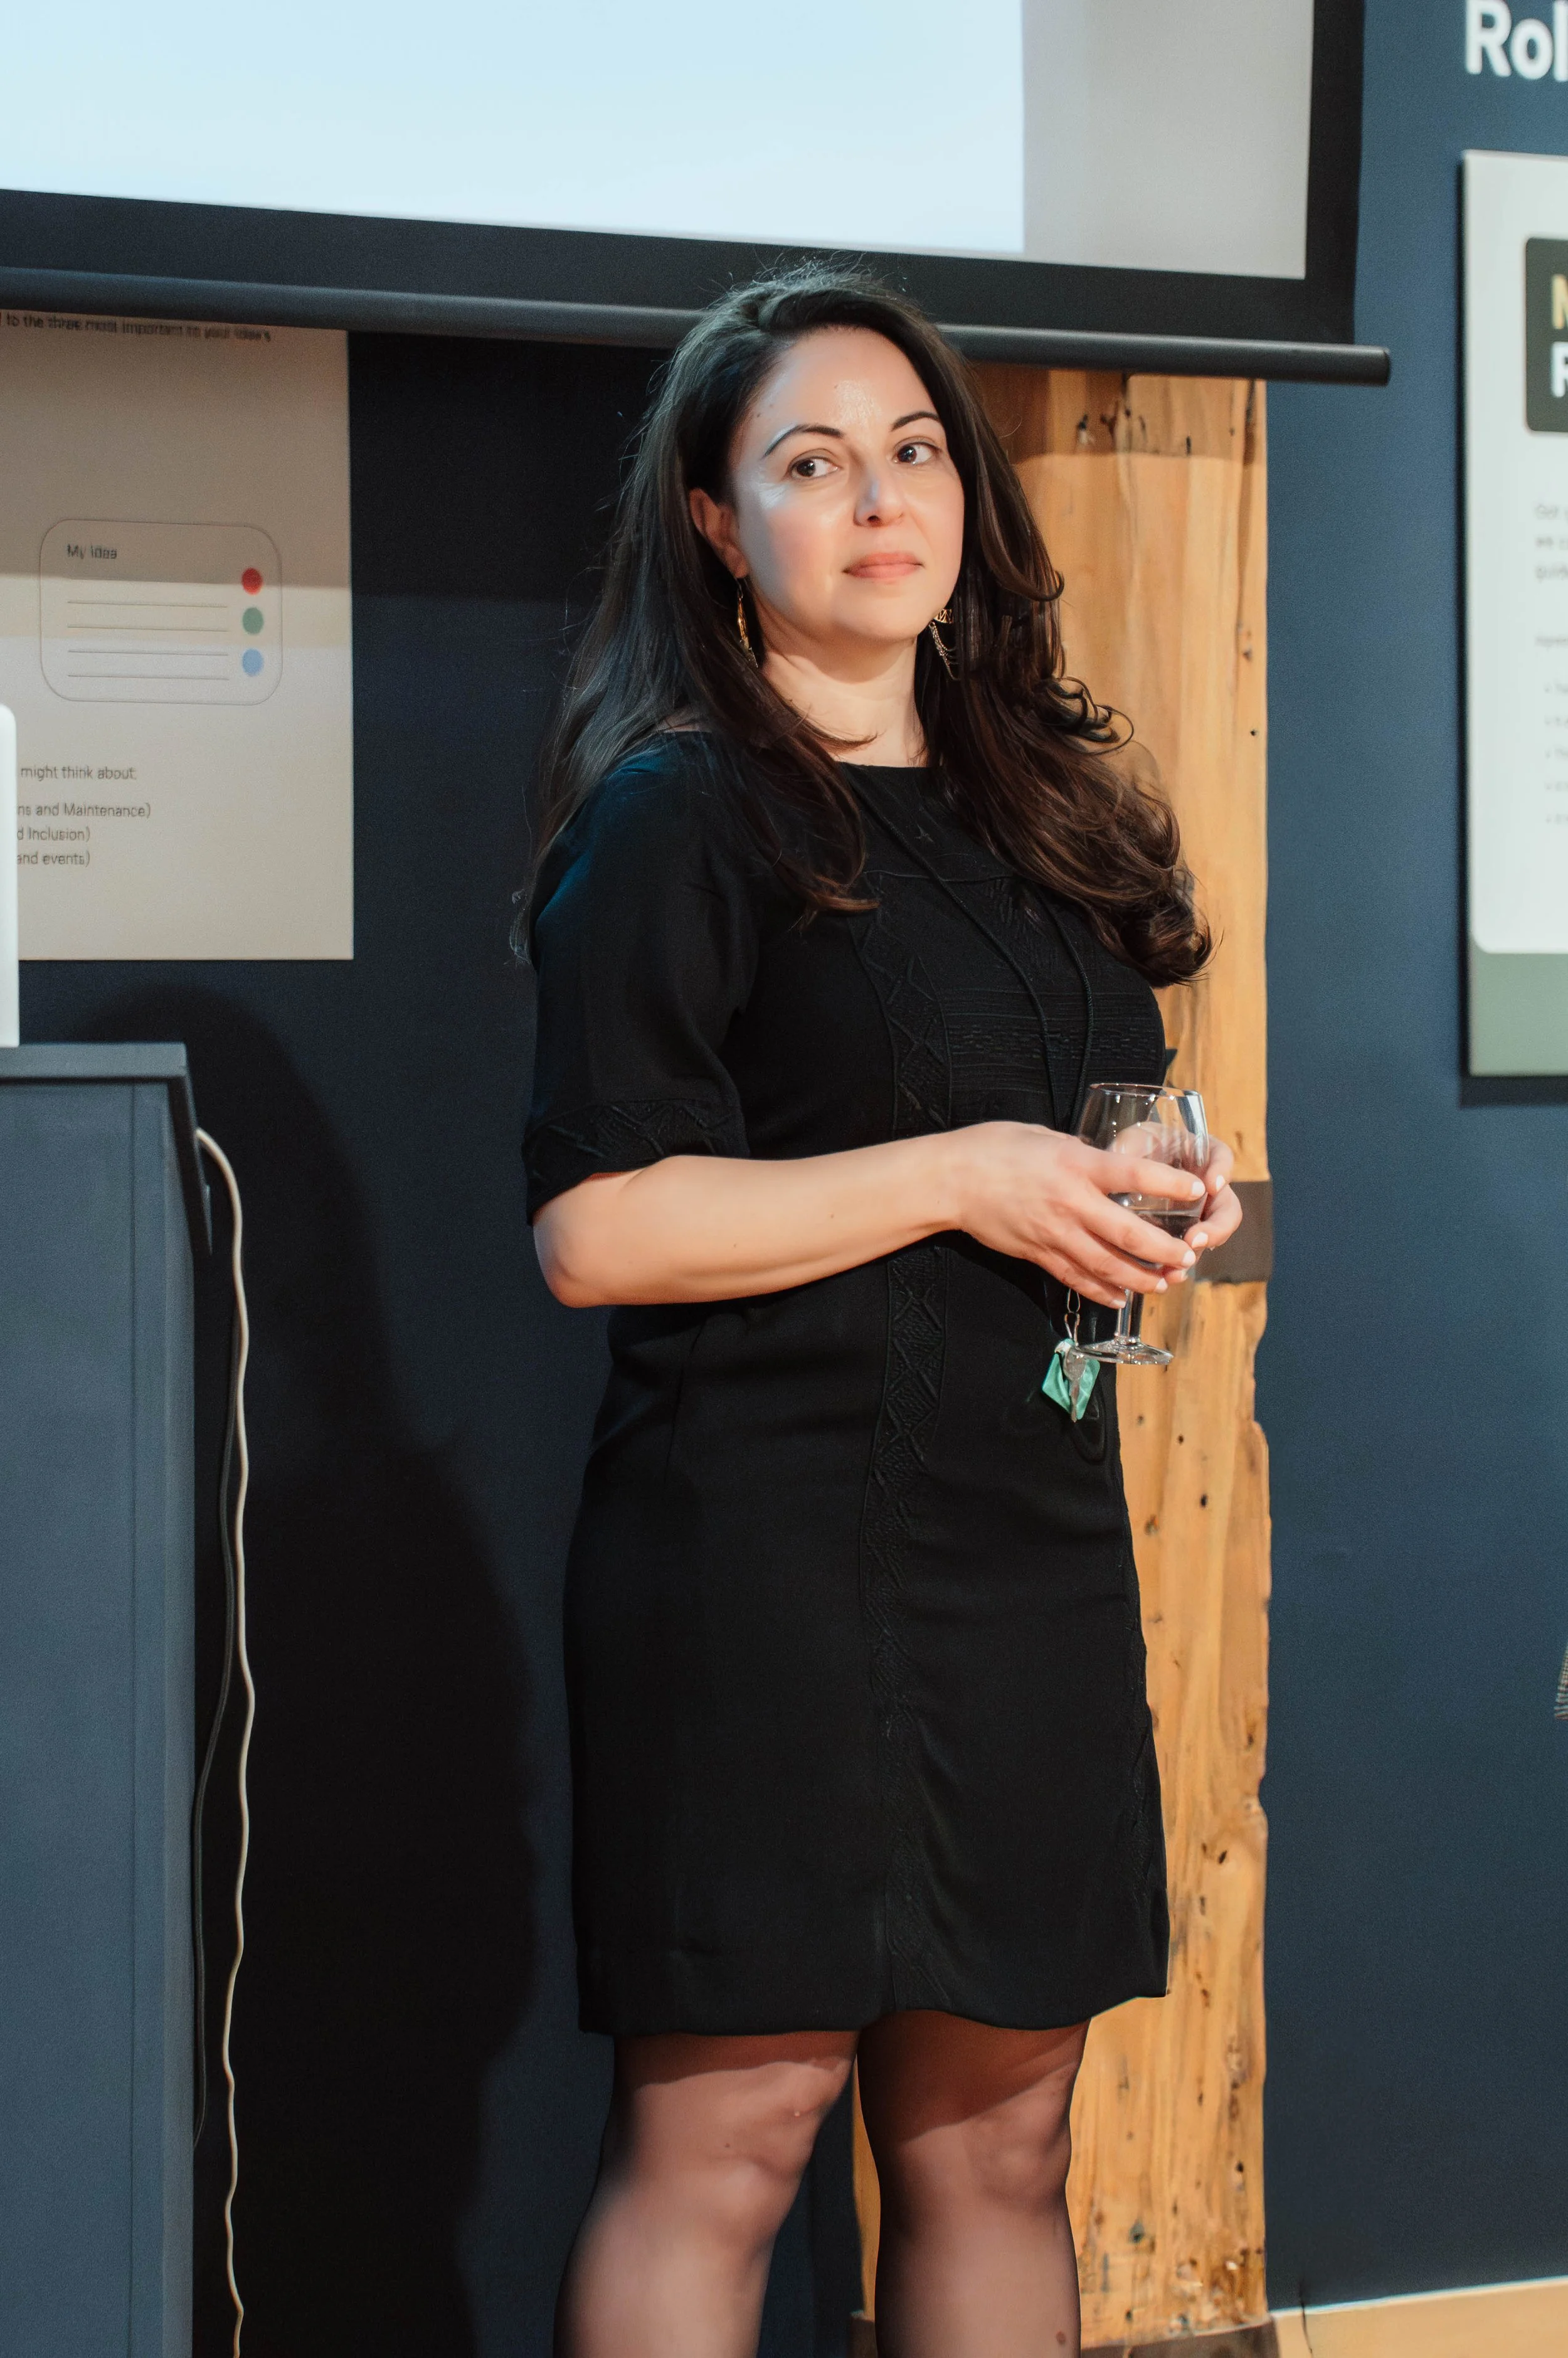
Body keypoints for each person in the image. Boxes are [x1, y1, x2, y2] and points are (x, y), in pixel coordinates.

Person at [523, 267, 1242, 2358]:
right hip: (755, 1553)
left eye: (912, 451)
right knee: (734, 2135)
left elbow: (1068, 1126)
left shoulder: (1040, 804)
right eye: (812, 464)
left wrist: (1149, 1199)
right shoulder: (677, 807)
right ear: (712, 520)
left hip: (1016, 1541)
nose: (878, 501)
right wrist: (966, 1173)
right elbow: (594, 1230)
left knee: (999, 2142)